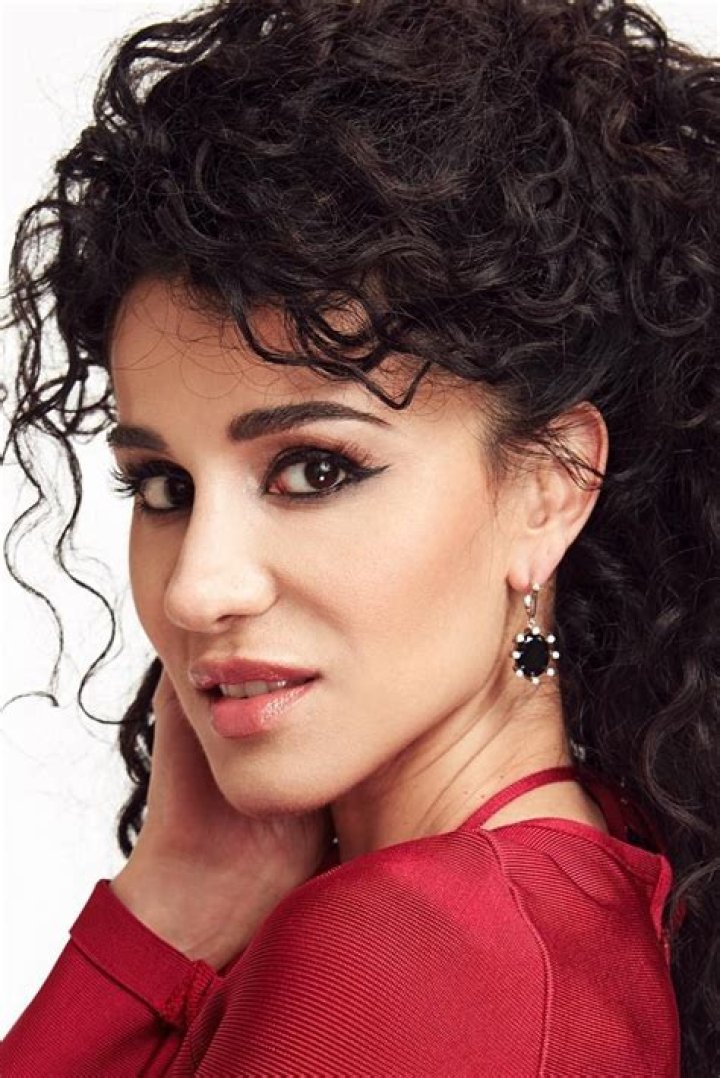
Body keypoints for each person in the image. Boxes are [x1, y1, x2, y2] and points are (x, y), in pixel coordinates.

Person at [0, 0, 717, 1074]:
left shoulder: (398, 954)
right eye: (163, 486)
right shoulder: (576, 889)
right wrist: (179, 902)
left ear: (549, 486)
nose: (196, 590)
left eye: (314, 470)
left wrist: (148, 947)